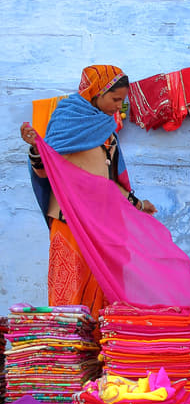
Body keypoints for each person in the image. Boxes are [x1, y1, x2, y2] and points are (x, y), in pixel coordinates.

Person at [20, 65, 157, 316]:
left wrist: (138, 204)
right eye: (115, 99)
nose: (119, 106)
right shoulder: (67, 119)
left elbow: (109, 179)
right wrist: (37, 148)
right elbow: (46, 169)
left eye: (122, 101)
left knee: (105, 289)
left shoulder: (106, 127)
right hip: (69, 219)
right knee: (70, 288)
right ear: (96, 92)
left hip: (103, 222)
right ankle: (68, 350)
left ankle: (99, 351)